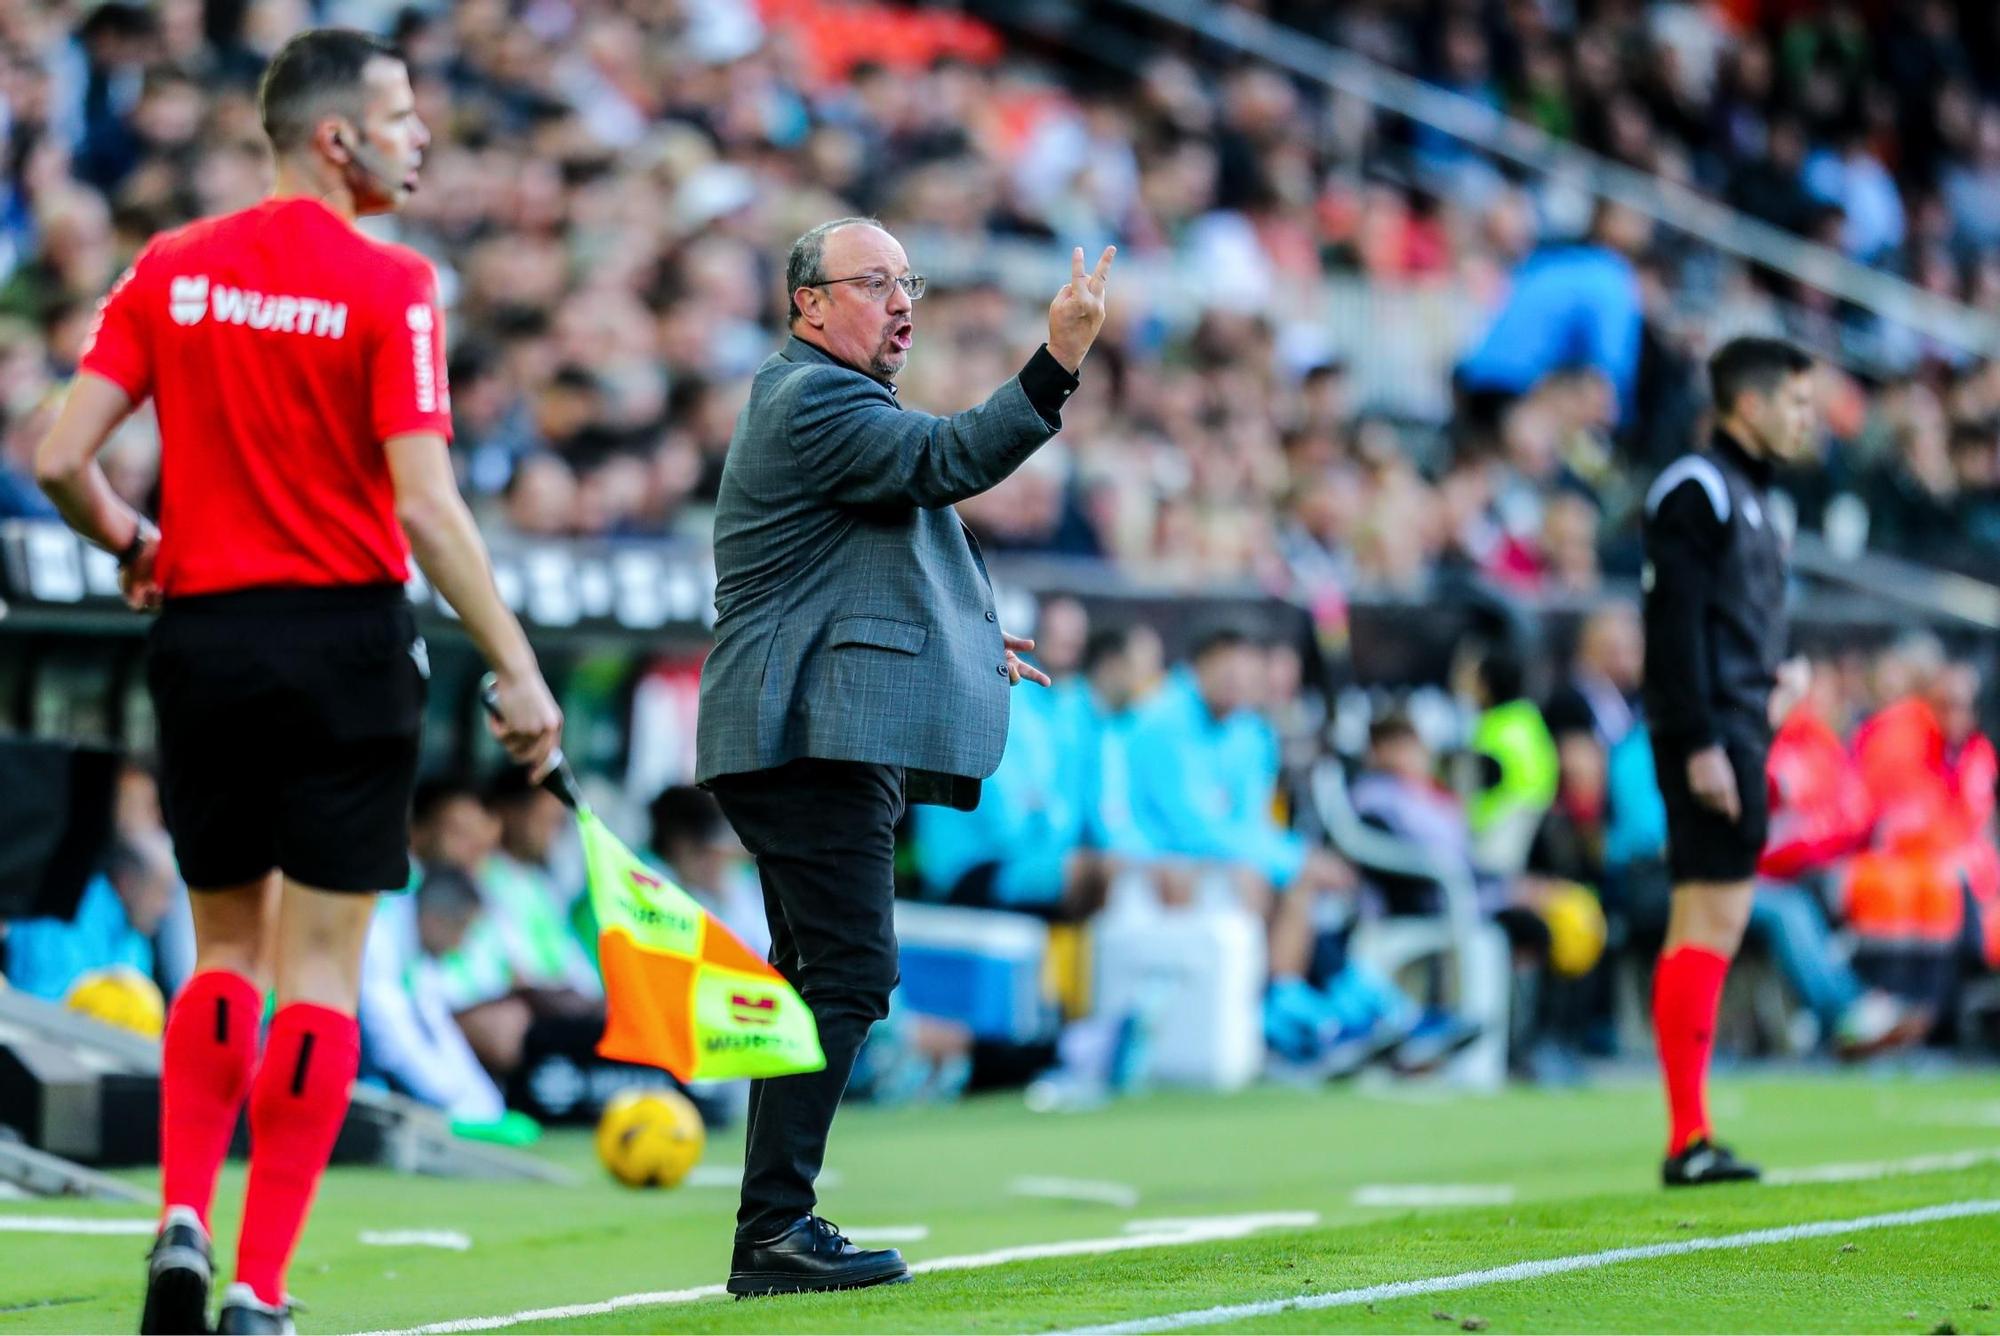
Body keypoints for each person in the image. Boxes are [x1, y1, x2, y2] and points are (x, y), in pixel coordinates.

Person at [33, 29, 562, 1334]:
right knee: (321, 973)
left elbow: (56, 454)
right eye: (399, 112)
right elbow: (429, 510)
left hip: (207, 637)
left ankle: (179, 1220)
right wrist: (516, 662)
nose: (419, 134)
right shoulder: (392, 286)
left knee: (221, 951)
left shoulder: (172, 267)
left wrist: (133, 542)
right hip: (346, 643)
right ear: (338, 139)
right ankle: (260, 1290)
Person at [694, 216, 1113, 1297]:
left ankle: (769, 1226)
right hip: (805, 733)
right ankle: (775, 1226)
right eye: (873, 282)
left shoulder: (813, 399)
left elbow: (859, 561)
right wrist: (1056, 357)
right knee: (850, 966)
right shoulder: (816, 399)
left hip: (804, 729)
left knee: (815, 975)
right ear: (808, 304)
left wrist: (977, 639)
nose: (900, 301)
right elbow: (947, 459)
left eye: (906, 280)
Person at [1640, 336, 1815, 1188]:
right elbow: (1672, 631)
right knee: (1707, 922)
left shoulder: (1757, 501)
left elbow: (1728, 627)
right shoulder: (1697, 489)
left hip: (1739, 727)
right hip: (1710, 739)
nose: (1806, 417)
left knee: (1711, 922)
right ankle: (1688, 1137)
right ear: (1749, 403)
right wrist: (1703, 740)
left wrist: (1776, 683)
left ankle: (1692, 1132)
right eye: (1795, 401)